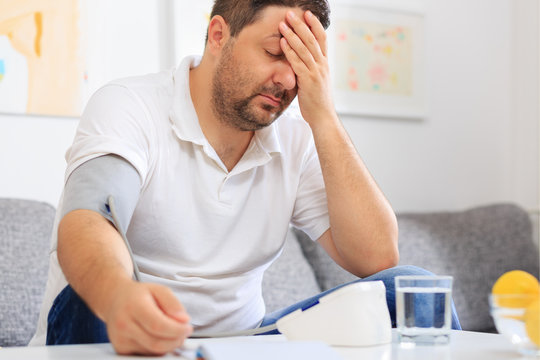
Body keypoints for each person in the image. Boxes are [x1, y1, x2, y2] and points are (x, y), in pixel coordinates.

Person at [31, 0, 460, 355]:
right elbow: (89, 219)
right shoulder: (130, 105)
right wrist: (118, 298)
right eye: (276, 53)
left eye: (302, 63)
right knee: (87, 304)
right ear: (218, 35)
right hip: (114, 325)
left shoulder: (298, 136)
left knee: (414, 290)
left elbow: (378, 257)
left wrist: (324, 118)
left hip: (241, 343)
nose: (289, 79)